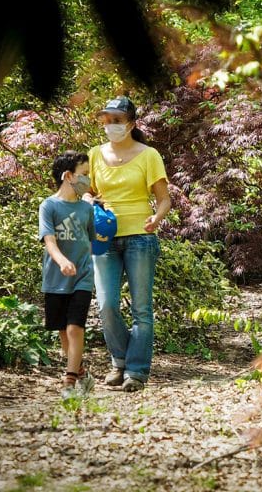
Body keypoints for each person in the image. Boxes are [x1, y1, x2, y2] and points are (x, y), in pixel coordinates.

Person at [87, 96, 171, 392]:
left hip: (140, 236)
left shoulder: (149, 155)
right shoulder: (95, 154)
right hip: (104, 237)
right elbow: (89, 192)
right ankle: (119, 360)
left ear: (131, 124)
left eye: (117, 120)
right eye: (107, 120)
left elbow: (164, 199)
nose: (110, 125)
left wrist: (156, 219)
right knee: (106, 305)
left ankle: (136, 371)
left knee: (142, 310)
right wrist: (86, 199)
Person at [39, 150, 96, 398]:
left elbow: (94, 240)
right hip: (56, 278)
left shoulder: (87, 209)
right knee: (64, 334)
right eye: (84, 174)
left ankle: (69, 384)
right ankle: (82, 372)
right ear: (68, 176)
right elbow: (49, 241)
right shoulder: (48, 205)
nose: (88, 180)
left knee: (75, 329)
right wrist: (62, 261)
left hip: (82, 276)